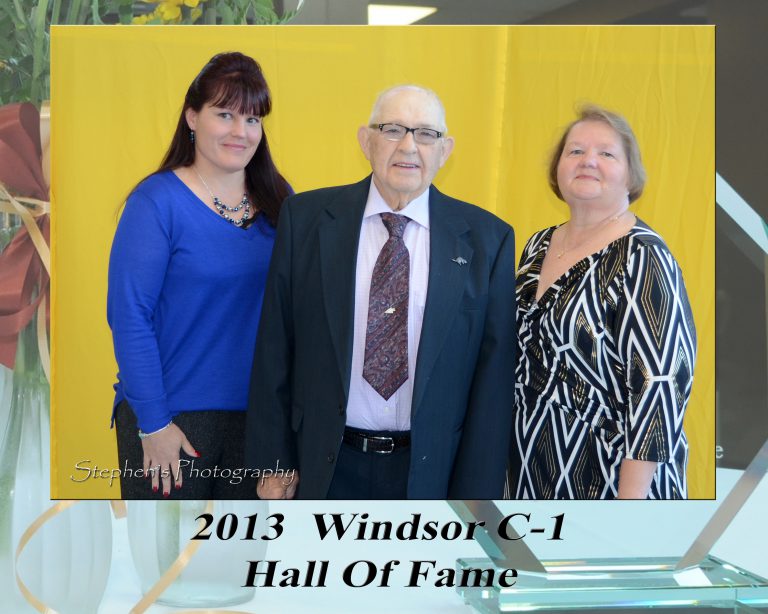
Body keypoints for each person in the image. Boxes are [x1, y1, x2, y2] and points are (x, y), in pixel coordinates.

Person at [245, 85, 516, 499]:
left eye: (426, 134)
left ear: (445, 150)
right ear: (365, 140)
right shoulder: (306, 221)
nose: (409, 146)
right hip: (323, 467)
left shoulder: (487, 241)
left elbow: (491, 385)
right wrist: (273, 464)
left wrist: (476, 499)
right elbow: (274, 351)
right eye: (392, 130)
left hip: (430, 476)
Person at [107, 52, 291, 499]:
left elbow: (298, 321)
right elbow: (129, 315)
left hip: (259, 426)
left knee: (248, 567)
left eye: (251, 119)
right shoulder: (156, 203)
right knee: (168, 566)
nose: (239, 132)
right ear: (192, 117)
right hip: (171, 420)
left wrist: (287, 439)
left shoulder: (281, 202)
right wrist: (153, 423)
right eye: (224, 114)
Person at [507, 104, 696, 500]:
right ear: (558, 168)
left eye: (606, 153)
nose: (588, 160)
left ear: (631, 174)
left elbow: (658, 390)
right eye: (575, 151)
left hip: (610, 486)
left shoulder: (642, 256)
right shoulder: (538, 245)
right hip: (529, 477)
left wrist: (629, 509)